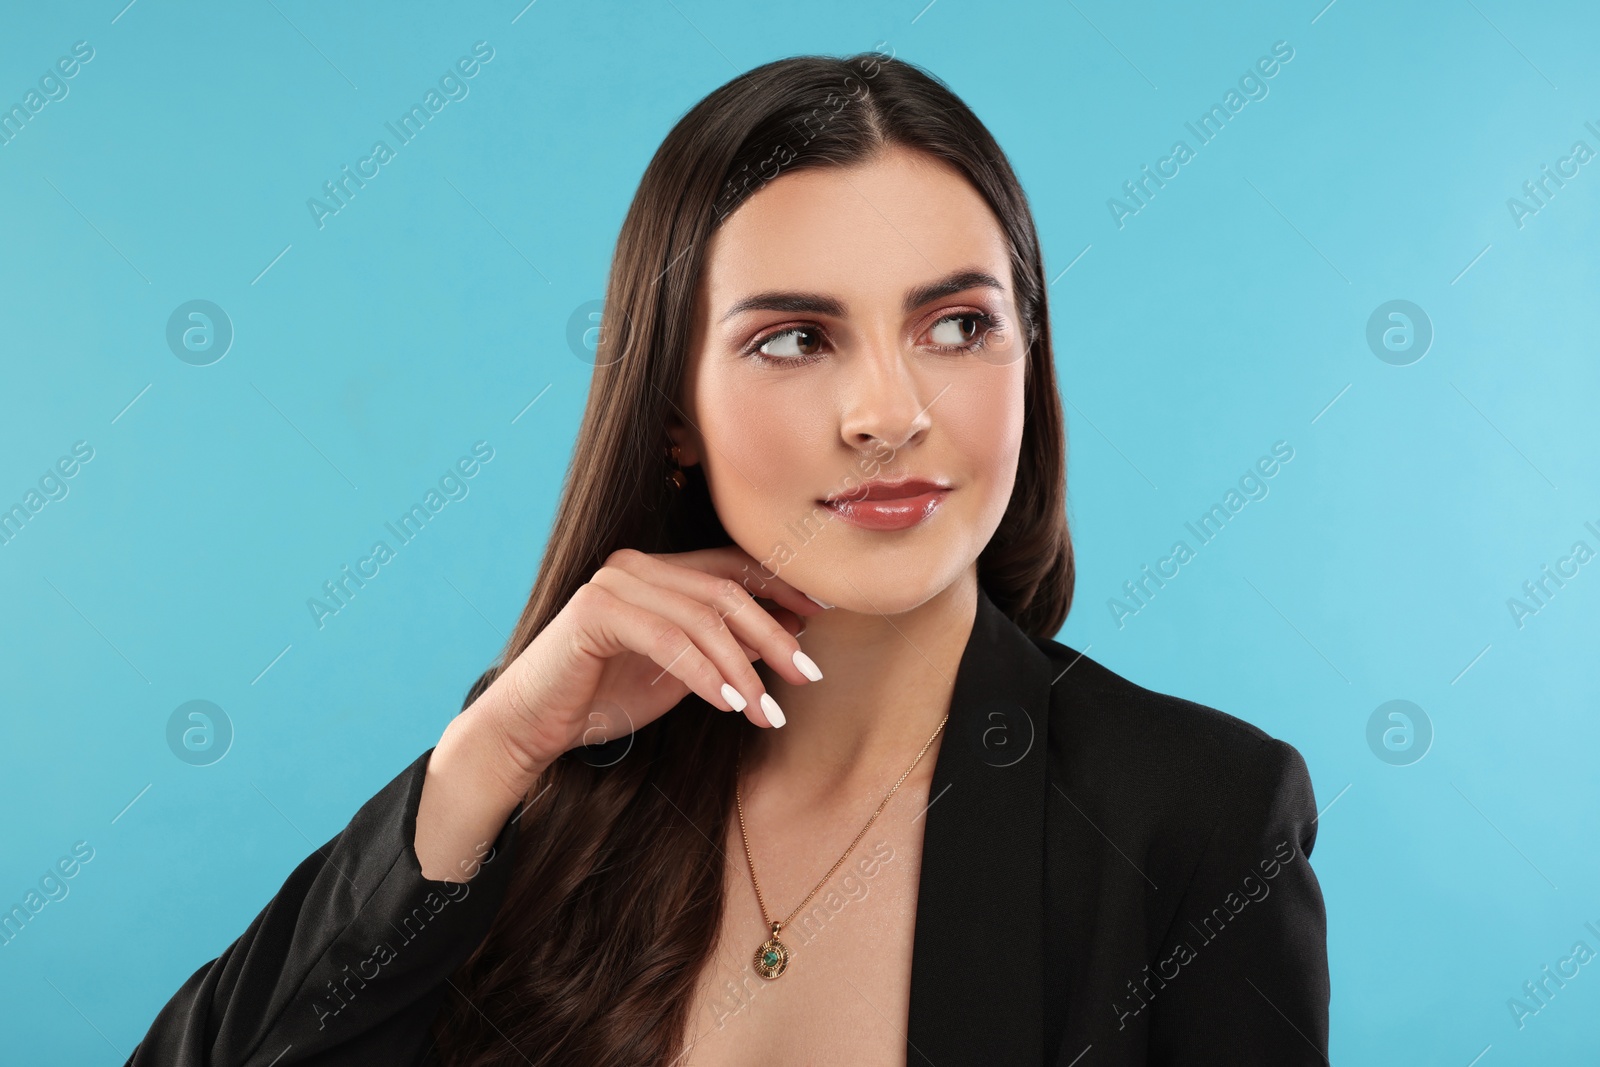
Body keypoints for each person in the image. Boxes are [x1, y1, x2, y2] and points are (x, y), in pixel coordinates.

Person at [127, 51, 1329, 1066]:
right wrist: (490, 752)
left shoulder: (1200, 816)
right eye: (796, 337)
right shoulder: (544, 786)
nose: (885, 411)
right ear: (672, 412)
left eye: (956, 325)